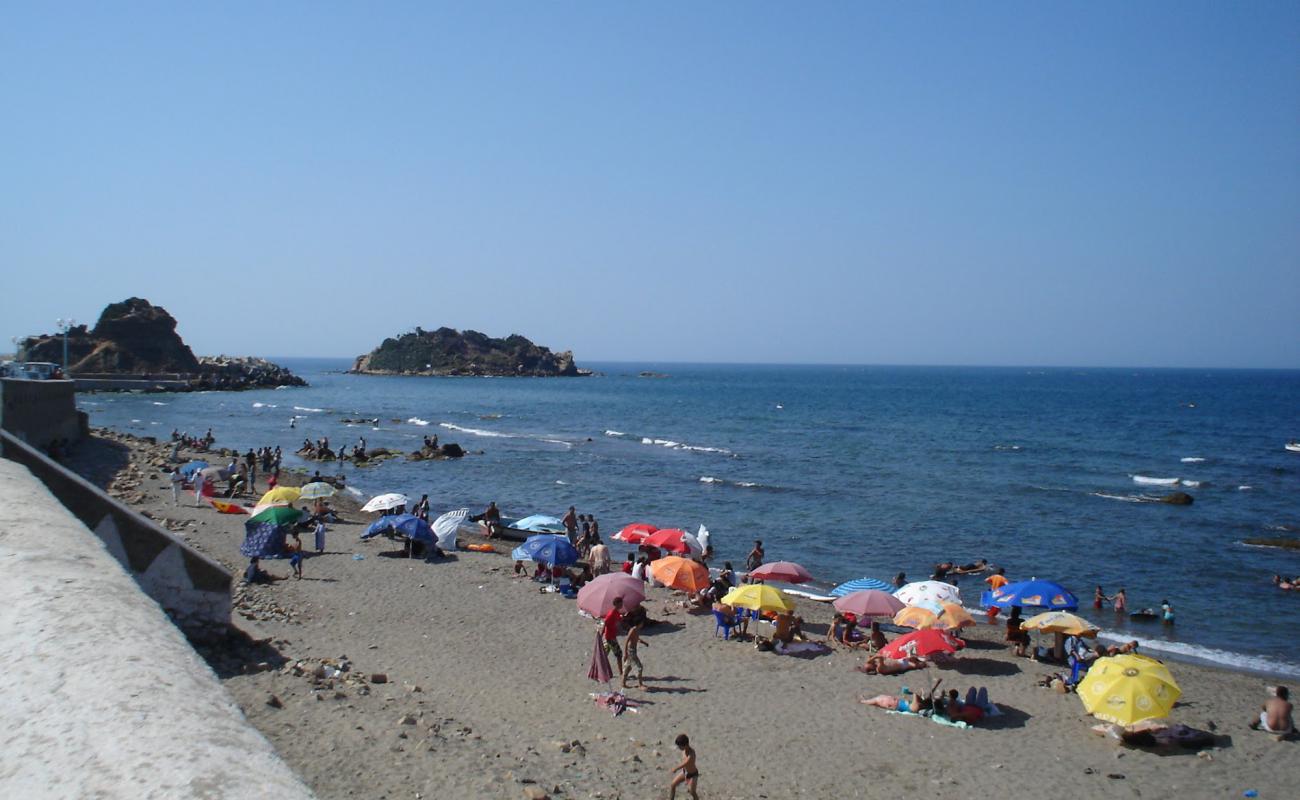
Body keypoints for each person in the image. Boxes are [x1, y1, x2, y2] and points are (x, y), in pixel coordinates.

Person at [622, 606, 649, 689]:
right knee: (639, 667)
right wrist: (625, 653)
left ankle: (623, 683)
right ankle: (640, 684)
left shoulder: (636, 630)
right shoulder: (633, 630)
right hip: (631, 651)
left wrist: (643, 642)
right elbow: (627, 641)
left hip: (633, 650)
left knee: (628, 667)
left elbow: (636, 639)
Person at [668, 734, 699, 800]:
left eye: (680, 746)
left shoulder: (691, 753)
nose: (679, 748)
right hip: (685, 772)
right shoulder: (684, 751)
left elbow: (686, 763)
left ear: (686, 745)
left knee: (692, 792)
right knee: (673, 784)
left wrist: (675, 768)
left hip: (693, 775)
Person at [602, 597, 625, 676]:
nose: (622, 605)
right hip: (610, 637)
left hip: (611, 636)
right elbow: (605, 623)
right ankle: (621, 672)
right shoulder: (612, 613)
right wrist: (601, 635)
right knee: (619, 654)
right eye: (620, 603)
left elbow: (619, 621)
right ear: (616, 604)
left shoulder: (616, 612)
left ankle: (602, 669)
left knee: (605, 654)